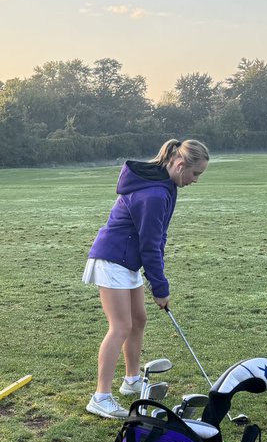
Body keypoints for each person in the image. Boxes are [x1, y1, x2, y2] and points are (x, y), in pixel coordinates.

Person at [83, 138, 210, 419]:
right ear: (179, 164)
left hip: (128, 261)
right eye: (195, 173)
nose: (195, 180)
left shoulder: (166, 187)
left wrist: (156, 283)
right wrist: (160, 288)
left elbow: (157, 238)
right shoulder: (154, 194)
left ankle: (131, 381)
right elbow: (150, 246)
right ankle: (100, 397)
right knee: (120, 326)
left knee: (138, 319)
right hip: (112, 258)